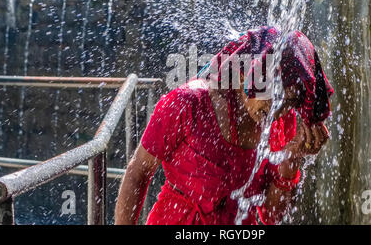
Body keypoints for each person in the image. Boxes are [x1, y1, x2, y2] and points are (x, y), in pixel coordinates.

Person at [115, 26, 334, 225]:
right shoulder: (188, 104)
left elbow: (271, 216)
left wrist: (292, 156)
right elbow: (138, 172)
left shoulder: (283, 126)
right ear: (246, 75)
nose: (277, 110)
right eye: (272, 94)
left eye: (290, 102)